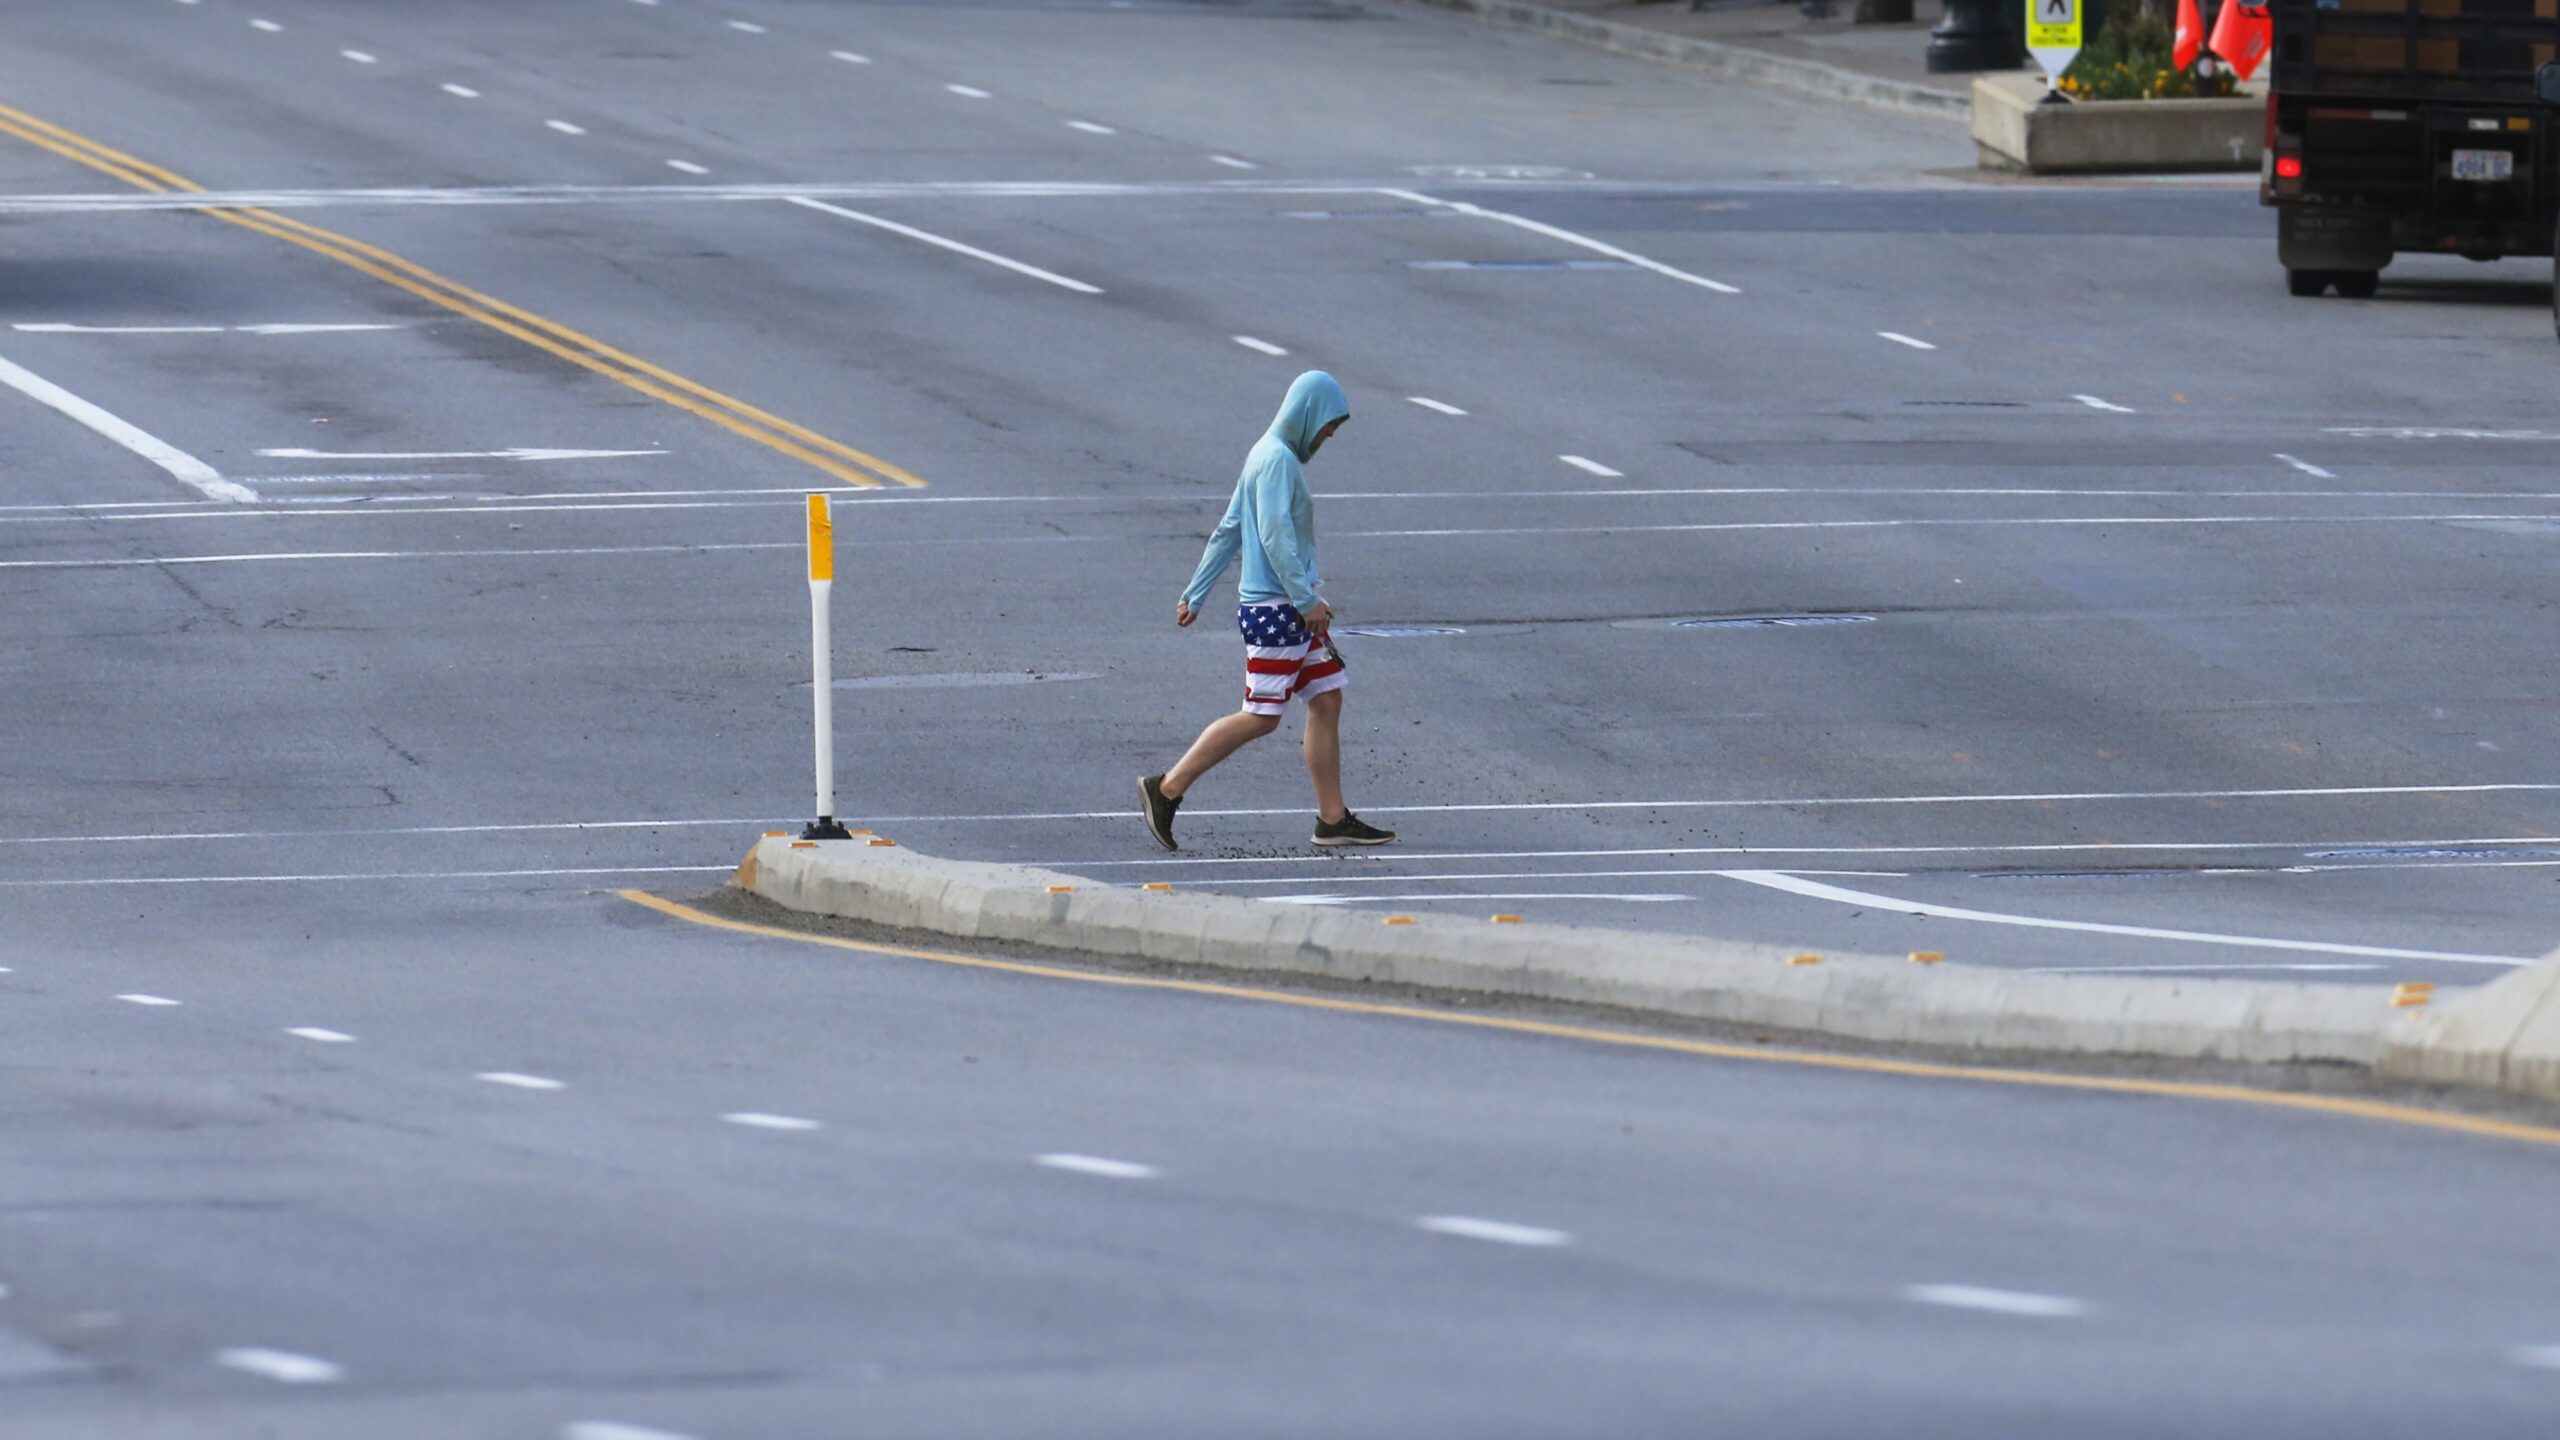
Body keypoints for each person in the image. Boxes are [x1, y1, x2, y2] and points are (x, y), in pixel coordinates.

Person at [1138, 371, 1395, 852]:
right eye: (1328, 425)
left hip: (1285, 607)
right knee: (1260, 715)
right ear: (1309, 414)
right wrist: (1305, 601)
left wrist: (1195, 594)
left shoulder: (1263, 453)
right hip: (1280, 610)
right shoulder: (1276, 461)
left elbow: (1229, 529)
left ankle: (1333, 819)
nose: (1330, 435)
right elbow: (1274, 536)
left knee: (1327, 697)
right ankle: (1167, 789)